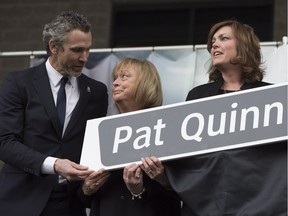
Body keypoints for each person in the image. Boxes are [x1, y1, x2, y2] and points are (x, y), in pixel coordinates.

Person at [165, 20, 287, 215]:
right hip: (204, 205)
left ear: (243, 46)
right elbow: (185, 157)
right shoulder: (197, 96)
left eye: (224, 38)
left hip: (257, 204)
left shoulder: (272, 97)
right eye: (213, 41)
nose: (214, 44)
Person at [0, 11, 108, 216]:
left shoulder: (97, 92)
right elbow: (5, 142)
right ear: (53, 47)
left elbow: (94, 147)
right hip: (21, 199)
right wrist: (55, 165)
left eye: (88, 50)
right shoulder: (18, 83)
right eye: (77, 50)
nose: (84, 58)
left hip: (71, 203)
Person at [79, 58, 181, 216]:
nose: (115, 83)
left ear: (145, 83)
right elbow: (83, 198)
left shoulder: (166, 128)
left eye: (124, 77)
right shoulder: (101, 131)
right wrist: (86, 189)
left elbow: (179, 194)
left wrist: (142, 190)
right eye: (115, 78)